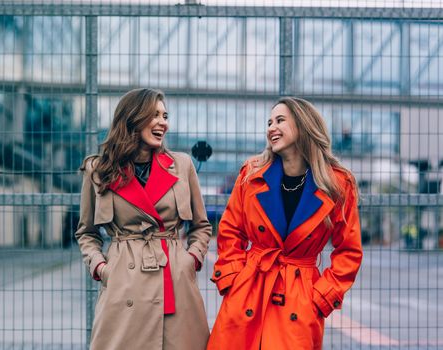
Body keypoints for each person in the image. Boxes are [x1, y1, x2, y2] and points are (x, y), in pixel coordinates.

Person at [207, 97, 363, 350]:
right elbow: (231, 229)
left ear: (303, 125)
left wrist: (321, 297)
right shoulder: (251, 174)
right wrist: (232, 277)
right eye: (269, 122)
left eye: (280, 120)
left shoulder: (338, 184)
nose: (271, 128)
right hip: (249, 288)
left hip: (299, 296)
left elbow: (349, 251)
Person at [76, 88, 211, 350]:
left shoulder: (182, 165)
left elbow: (201, 226)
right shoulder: (98, 170)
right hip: (123, 284)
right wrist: (102, 268)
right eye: (155, 115)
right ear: (133, 118)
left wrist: (190, 260)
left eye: (165, 115)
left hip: (174, 281)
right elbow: (86, 232)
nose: (163, 122)